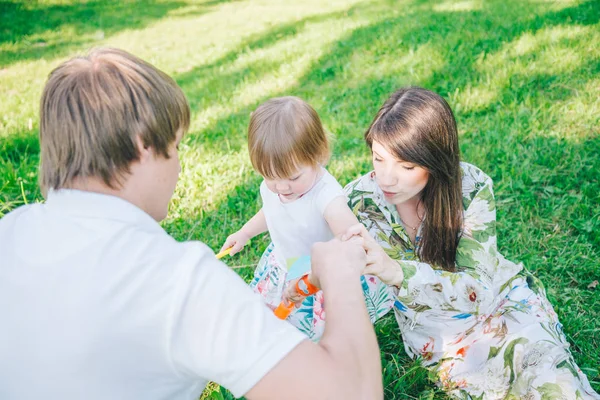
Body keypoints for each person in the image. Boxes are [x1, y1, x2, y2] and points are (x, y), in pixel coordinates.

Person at [0, 48, 383, 400]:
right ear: (142, 147)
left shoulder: (10, 231)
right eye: (178, 146)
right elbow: (352, 393)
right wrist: (341, 279)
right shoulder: (181, 281)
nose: (180, 165)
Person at [342, 87, 600, 399]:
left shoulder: (471, 188)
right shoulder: (357, 200)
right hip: (440, 339)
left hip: (500, 305)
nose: (386, 178)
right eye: (378, 158)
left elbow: (477, 291)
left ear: (435, 161)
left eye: (406, 166)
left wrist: (396, 272)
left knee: (554, 385)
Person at [219, 96, 359, 339]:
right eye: (270, 177)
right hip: (283, 262)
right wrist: (245, 233)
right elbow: (272, 212)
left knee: (312, 336)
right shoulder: (274, 188)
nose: (282, 187)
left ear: (319, 154)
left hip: (314, 280)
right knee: (276, 321)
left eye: (293, 178)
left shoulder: (326, 198)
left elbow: (352, 238)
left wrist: (334, 263)